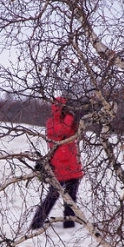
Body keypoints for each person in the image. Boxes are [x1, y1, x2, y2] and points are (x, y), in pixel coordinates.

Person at [30, 97, 84, 230]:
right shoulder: (51, 123)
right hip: (59, 167)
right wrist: (70, 116)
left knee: (71, 199)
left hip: (73, 166)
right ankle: (36, 223)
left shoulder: (70, 120)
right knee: (52, 197)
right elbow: (63, 131)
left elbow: (76, 132)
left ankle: (69, 224)